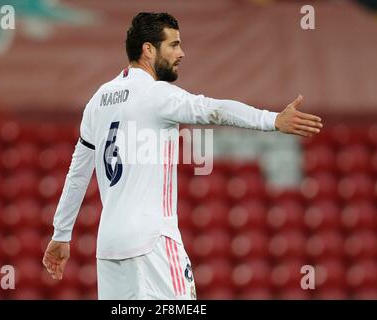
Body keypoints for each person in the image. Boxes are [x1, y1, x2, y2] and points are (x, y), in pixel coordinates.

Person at [42, 12, 323, 300]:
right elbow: (214, 109)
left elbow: (77, 172)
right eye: (173, 45)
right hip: (153, 241)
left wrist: (61, 234)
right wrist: (271, 120)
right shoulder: (155, 94)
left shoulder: (98, 100)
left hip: (109, 248)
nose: (181, 53)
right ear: (148, 50)